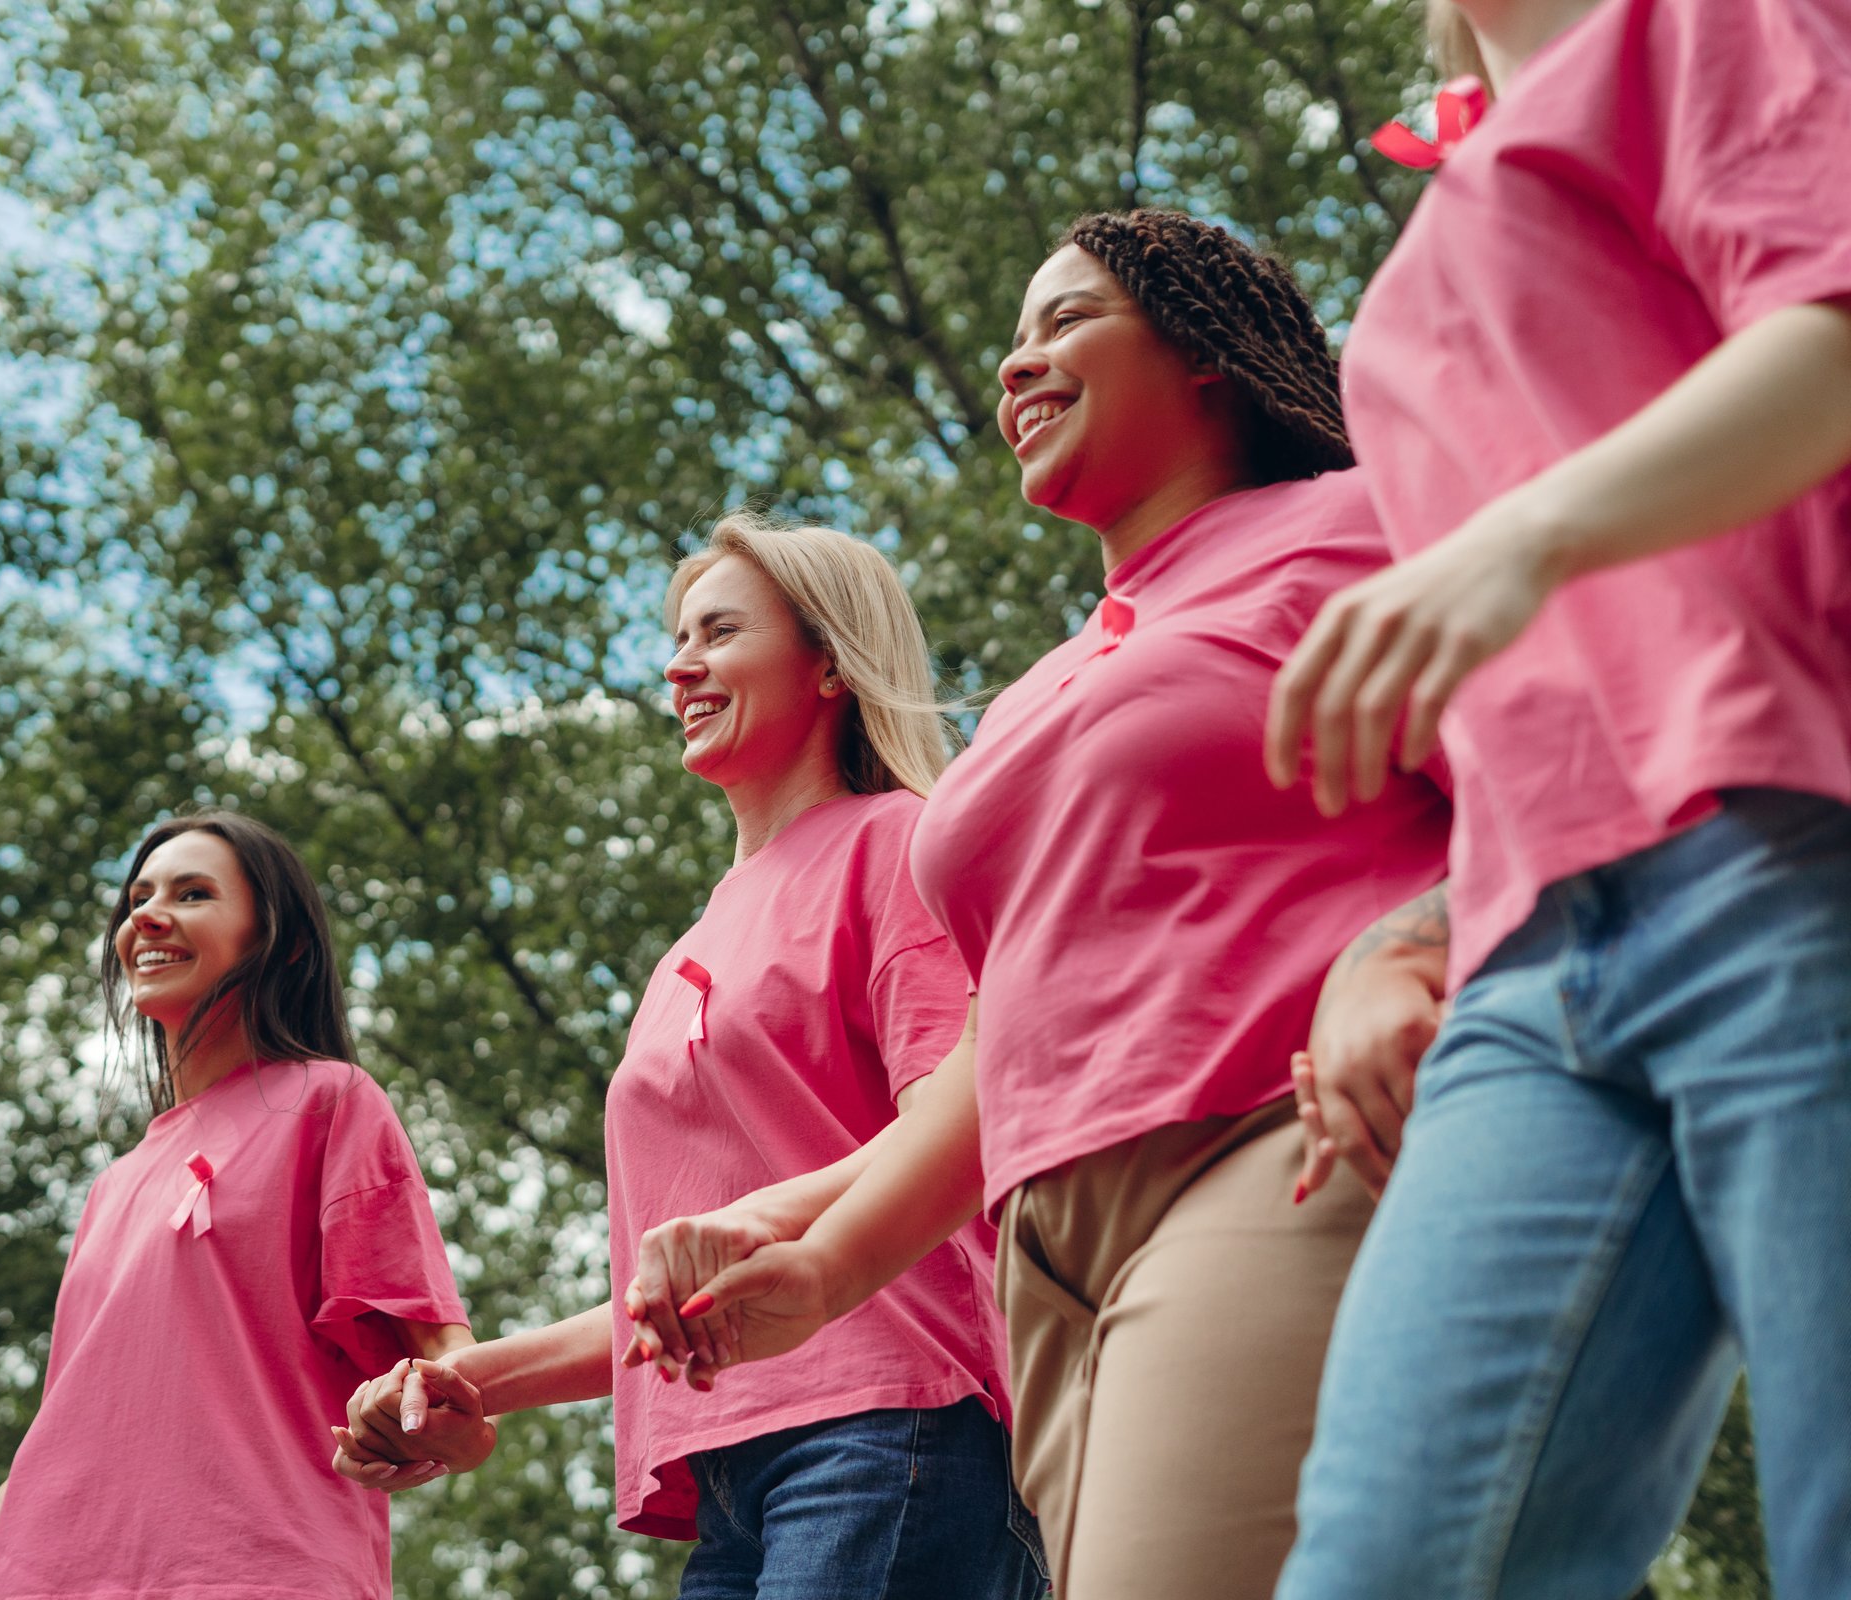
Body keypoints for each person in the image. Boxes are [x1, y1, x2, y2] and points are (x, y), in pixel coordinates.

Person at [645, 212, 1454, 1600]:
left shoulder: (1357, 527)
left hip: (1270, 1144)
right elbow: (1006, 1037)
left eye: (1065, 321)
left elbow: (1565, 756)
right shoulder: (1045, 687)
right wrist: (830, 1258)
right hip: (1051, 1264)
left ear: (1204, 354)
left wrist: (1416, 947)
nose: (1019, 364)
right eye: (1013, 337)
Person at [1260, 0, 1851, 1592]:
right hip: (1531, 971)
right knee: (1383, 1565)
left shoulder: (1716, 22)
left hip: (1795, 853)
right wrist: (1402, 932)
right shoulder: (1431, 228)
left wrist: (1523, 539)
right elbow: (1567, 675)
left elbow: (1836, 336)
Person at [332, 514, 1042, 1599]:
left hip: (892, 1428)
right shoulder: (690, 948)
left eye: (717, 631)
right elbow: (668, 1292)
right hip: (729, 1474)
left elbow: (961, 1120)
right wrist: (467, 1378)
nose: (680, 662)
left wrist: (767, 1226)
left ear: (830, 666)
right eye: (676, 636)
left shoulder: (898, 843)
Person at [0, 812, 469, 1600]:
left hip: (260, 1575)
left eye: (192, 894)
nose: (145, 916)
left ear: (278, 943)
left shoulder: (328, 1104)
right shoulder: (116, 1184)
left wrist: (440, 1421)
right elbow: (63, 1454)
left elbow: (445, 1364)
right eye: (138, 896)